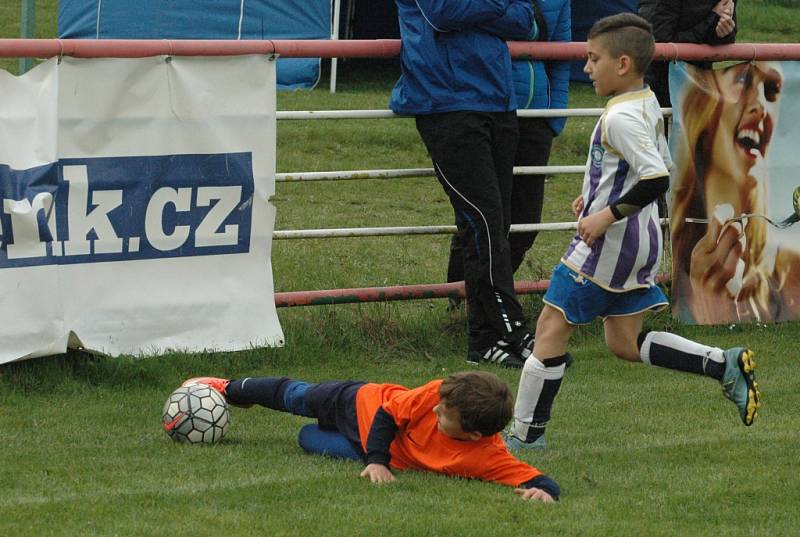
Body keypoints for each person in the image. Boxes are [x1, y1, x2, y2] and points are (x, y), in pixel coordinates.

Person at [504, 13, 760, 451]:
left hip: (611, 244)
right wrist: (594, 196)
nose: (585, 67)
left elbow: (656, 176)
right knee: (623, 341)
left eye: (592, 59)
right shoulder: (642, 99)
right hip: (640, 240)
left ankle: (524, 438)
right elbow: (639, 165)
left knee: (549, 327)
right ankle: (724, 364)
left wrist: (605, 216)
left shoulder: (620, 117)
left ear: (622, 64)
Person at [390, 0, 539, 368]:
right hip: (446, 104)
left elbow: (526, 22)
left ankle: (484, 341)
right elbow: (443, 14)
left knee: (492, 225)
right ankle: (513, 330)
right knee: (484, 221)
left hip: (499, 101)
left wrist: (475, 11)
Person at [180, 371, 560, 502]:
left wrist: (544, 491)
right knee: (300, 398)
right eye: (439, 404)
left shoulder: (487, 457)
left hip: (362, 444)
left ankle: (335, 440)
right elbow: (387, 414)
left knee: (306, 440)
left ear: (475, 434)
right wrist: (377, 462)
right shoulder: (440, 393)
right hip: (359, 403)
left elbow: (538, 479)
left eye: (445, 416)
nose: (434, 411)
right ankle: (229, 388)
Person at [446, 0, 572, 295]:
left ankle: (488, 294)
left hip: (536, 118)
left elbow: (563, 53)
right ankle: (461, 298)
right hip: (490, 109)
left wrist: (555, 116)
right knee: (486, 216)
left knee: (527, 220)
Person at [670, 60, 800, 323]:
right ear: (704, 106)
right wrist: (703, 304)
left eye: (771, 90)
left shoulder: (790, 266)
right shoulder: (681, 251)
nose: (759, 106)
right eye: (742, 82)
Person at [642, 0, 738, 108]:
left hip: (699, 85)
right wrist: (711, 19)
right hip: (660, 84)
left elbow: (727, 37)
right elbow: (661, 43)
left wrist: (723, 31)